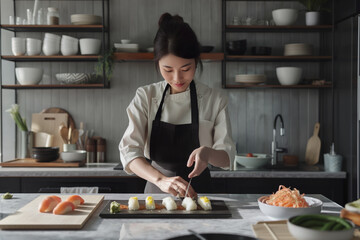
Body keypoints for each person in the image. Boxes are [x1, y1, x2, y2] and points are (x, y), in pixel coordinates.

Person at [119, 13, 235, 198]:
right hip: (156, 195)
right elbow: (129, 153)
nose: (177, 78)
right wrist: (160, 180)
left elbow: (227, 158)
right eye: (168, 70)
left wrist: (208, 153)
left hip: (201, 195)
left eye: (185, 69)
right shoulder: (146, 97)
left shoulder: (215, 99)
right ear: (158, 64)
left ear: (196, 62)